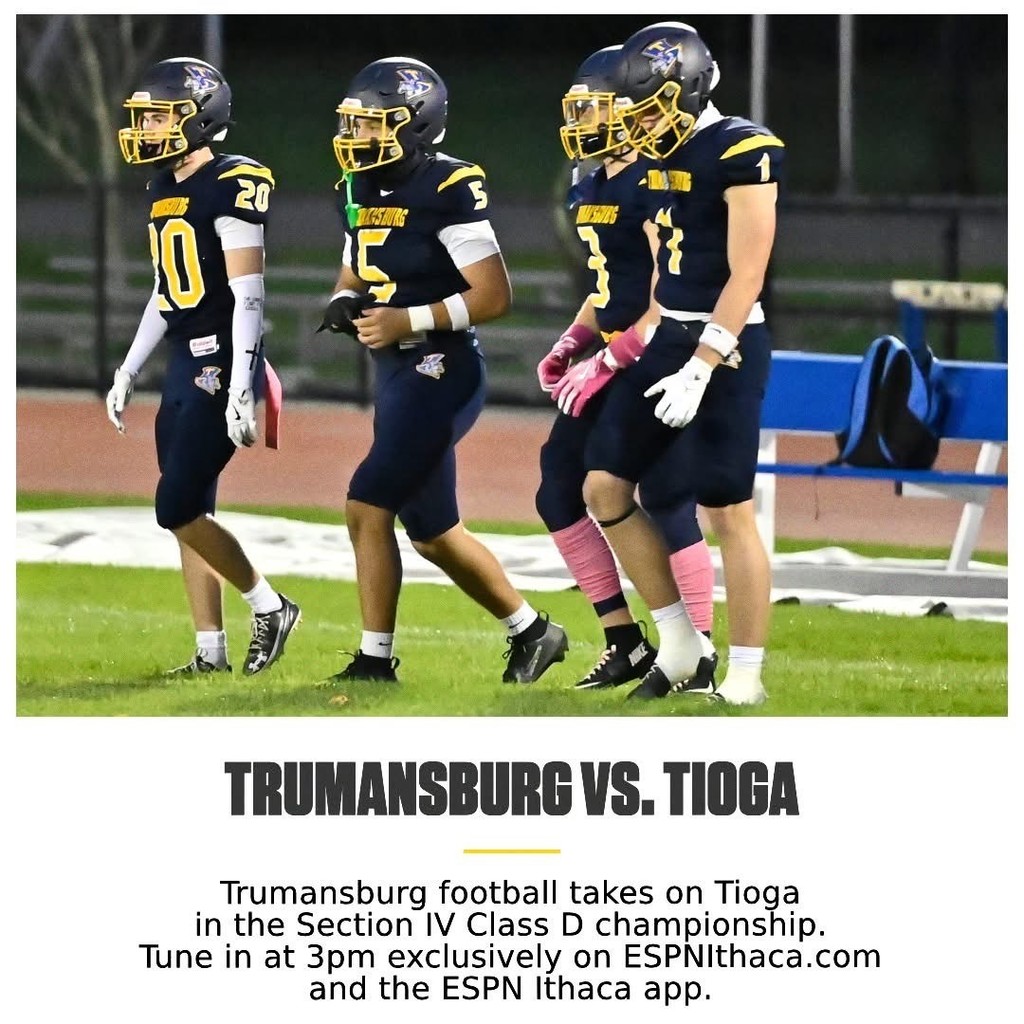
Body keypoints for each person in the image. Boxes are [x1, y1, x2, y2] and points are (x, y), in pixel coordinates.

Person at [319, 56, 568, 684]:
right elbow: (355, 263)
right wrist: (343, 299)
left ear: (417, 124)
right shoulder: (357, 185)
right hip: (395, 371)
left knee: (366, 502)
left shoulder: (448, 185)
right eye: (355, 123)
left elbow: (493, 295)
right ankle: (534, 633)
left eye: (374, 124)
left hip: (442, 366)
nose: (358, 136)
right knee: (432, 532)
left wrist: (406, 319)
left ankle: (374, 662)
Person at [582, 22, 784, 704]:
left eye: (652, 109)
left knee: (728, 510)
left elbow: (747, 272)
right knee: (604, 488)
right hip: (670, 333)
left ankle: (746, 675)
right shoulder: (653, 155)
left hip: (728, 343)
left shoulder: (742, 148)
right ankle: (679, 643)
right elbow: (649, 260)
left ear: (691, 89)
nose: (641, 125)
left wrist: (702, 363)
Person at [107, 57, 300, 677]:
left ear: (199, 118)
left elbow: (248, 294)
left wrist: (242, 382)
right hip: (183, 362)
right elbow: (167, 292)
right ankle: (209, 652)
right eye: (145, 117)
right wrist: (129, 368)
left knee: (175, 506)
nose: (147, 128)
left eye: (160, 116)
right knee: (191, 510)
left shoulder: (231, 180)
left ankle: (270, 606)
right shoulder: (162, 188)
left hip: (220, 364)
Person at [535, 45, 716, 692]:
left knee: (665, 496)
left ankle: (699, 651)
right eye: (577, 108)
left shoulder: (656, 176)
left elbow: (668, 291)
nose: (581, 120)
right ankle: (625, 639)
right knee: (559, 490)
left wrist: (611, 357)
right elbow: (610, 283)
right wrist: (574, 340)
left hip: (659, 350)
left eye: (592, 108)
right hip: (616, 350)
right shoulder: (593, 178)